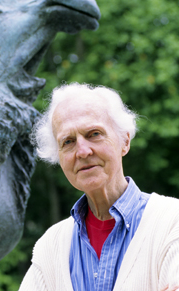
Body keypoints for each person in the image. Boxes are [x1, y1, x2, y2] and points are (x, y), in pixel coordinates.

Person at [19, 83, 179, 291]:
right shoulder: (50, 247)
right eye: (68, 141)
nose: (82, 151)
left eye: (94, 134)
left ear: (125, 141)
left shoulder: (172, 222)